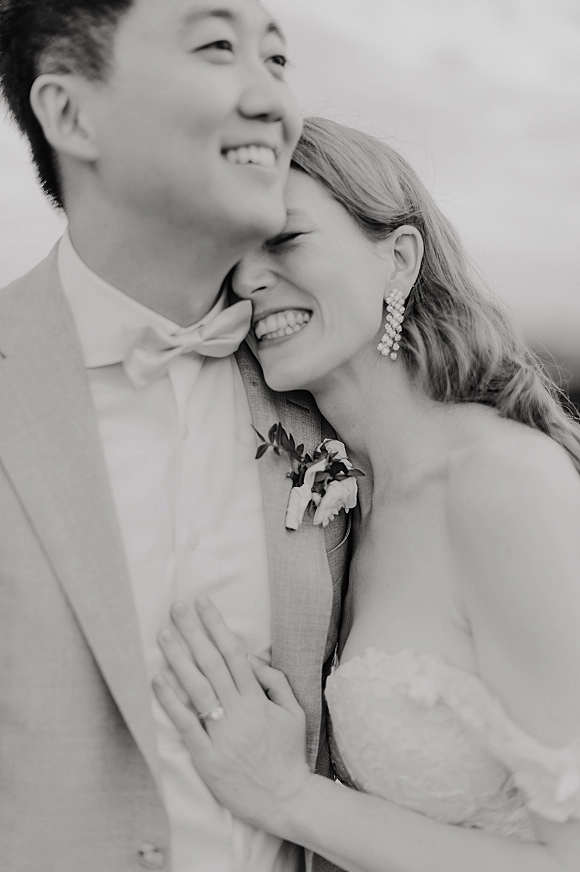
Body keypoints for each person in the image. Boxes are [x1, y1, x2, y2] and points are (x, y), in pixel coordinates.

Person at [154, 117, 580, 872]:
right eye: (231, 256)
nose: (247, 280)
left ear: (400, 259)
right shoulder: (339, 489)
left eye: (285, 239)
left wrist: (287, 796)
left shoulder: (503, 484)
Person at [0, 4, 349, 870]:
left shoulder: (338, 399)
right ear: (71, 112)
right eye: (219, 46)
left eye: (278, 58)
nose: (273, 100)